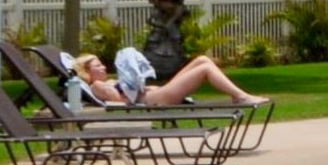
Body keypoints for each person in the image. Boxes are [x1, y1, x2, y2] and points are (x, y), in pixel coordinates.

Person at [73, 51, 260, 109]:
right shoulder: (97, 85)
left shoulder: (109, 80)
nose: (104, 67)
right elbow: (123, 101)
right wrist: (130, 82)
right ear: (87, 72)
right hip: (156, 99)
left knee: (202, 60)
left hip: (158, 91)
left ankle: (239, 95)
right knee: (205, 69)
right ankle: (240, 96)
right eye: (98, 66)